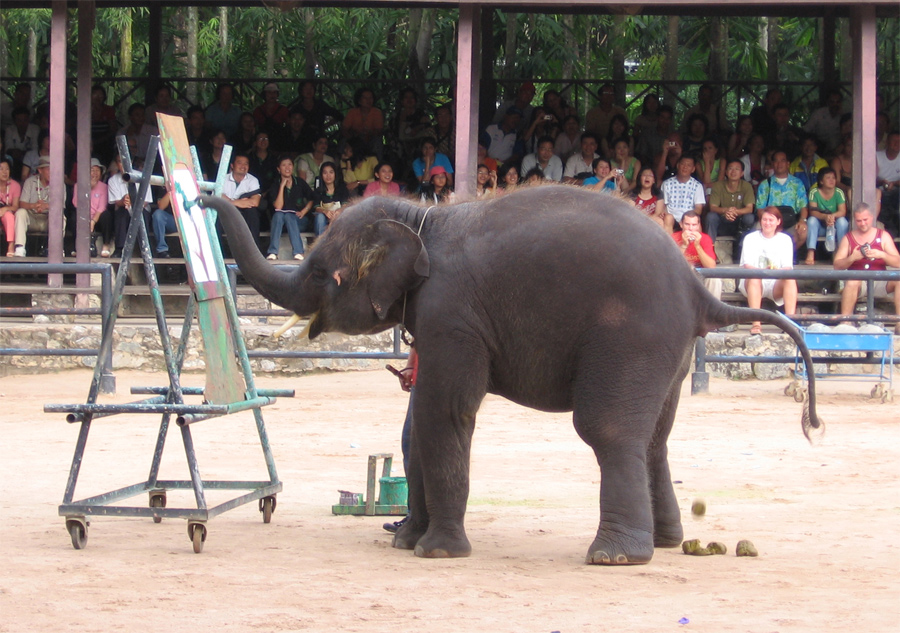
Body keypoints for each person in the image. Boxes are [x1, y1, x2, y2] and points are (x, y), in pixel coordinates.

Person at [833, 203, 900, 330]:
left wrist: (882, 255)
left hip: (881, 280)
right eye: (859, 221)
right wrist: (853, 257)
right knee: (852, 281)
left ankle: (899, 322)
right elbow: (837, 265)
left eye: (865, 220)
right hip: (858, 282)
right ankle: (845, 322)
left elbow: (898, 262)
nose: (862, 224)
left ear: (872, 217)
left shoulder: (883, 236)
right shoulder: (848, 238)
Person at [739, 207, 798, 335]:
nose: (767, 223)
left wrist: (774, 271)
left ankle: (790, 323)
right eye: (764, 219)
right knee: (755, 276)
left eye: (771, 220)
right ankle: (756, 324)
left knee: (790, 279)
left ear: (778, 221)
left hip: (775, 282)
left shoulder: (785, 239)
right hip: (752, 281)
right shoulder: (750, 238)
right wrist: (763, 271)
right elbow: (747, 265)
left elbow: (788, 267)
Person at [382, 346, 417, 535]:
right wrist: (411, 366)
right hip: (423, 377)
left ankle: (423, 517)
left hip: (440, 377)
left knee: (417, 446)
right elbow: (419, 331)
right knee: (411, 444)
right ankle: (417, 514)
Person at [755, 150, 809, 249]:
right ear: (772, 164)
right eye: (776, 161)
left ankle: (789, 254)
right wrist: (769, 223)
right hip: (770, 221)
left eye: (782, 160)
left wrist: (802, 221)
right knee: (757, 229)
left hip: (791, 221)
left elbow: (803, 206)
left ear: (788, 164)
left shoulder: (797, 183)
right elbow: (760, 209)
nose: (779, 164)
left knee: (803, 231)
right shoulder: (765, 184)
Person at [266, 156, 314, 261]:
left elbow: (312, 199)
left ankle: (298, 252)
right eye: (284, 165)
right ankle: (273, 252)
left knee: (289, 216)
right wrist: (282, 186)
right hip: (281, 224)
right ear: (278, 169)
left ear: (293, 167)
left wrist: (303, 211)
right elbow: (278, 207)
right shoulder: (275, 184)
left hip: (299, 221)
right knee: (279, 215)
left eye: (289, 164)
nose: (287, 167)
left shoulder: (300, 182)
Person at [12, 156, 63, 257]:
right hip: (33, 218)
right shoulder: (30, 182)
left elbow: (61, 206)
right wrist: (34, 205)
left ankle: (56, 248)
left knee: (60, 216)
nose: (52, 172)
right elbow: (22, 203)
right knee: (20, 212)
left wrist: (46, 206)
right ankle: (20, 247)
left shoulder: (60, 183)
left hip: (48, 219)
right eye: (49, 169)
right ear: (40, 170)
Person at [706, 159, 756, 255]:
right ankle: (709, 250)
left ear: (742, 173)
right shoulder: (718, 185)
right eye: (730, 169)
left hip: (739, 224)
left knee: (749, 217)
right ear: (725, 172)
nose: (733, 172)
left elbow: (750, 208)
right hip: (722, 222)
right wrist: (726, 210)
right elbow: (713, 207)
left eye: (737, 169)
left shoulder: (746, 186)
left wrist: (734, 212)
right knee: (710, 216)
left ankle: (742, 250)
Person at [672, 211, 721, 300]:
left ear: (698, 226)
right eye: (687, 224)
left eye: (694, 225)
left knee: (715, 279)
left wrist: (697, 245)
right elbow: (671, 265)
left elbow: (711, 266)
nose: (690, 228)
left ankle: (713, 312)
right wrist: (684, 245)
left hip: (701, 275)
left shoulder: (705, 238)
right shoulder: (673, 237)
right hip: (680, 276)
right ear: (681, 224)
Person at [804, 167, 848, 265]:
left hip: (834, 226)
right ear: (821, 181)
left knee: (843, 222)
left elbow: (842, 211)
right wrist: (825, 217)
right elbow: (812, 212)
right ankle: (811, 252)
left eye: (833, 177)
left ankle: (842, 254)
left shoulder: (839, 192)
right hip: (821, 227)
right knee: (811, 220)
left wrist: (832, 216)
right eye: (828, 178)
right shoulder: (814, 192)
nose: (832, 180)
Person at [220, 153, 263, 252]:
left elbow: (255, 202)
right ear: (232, 165)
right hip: (225, 212)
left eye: (246, 164)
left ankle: (254, 251)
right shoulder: (222, 178)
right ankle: (218, 253)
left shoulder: (253, 180)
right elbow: (218, 197)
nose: (243, 166)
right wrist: (237, 202)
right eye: (239, 163)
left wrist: (229, 201)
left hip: (244, 213)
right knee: (215, 216)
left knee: (252, 213)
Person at [70, 158, 109, 257]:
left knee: (107, 215)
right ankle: (77, 247)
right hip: (83, 217)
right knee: (74, 217)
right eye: (92, 170)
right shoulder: (78, 185)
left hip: (97, 218)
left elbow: (102, 206)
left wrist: (93, 221)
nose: (95, 173)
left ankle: (106, 245)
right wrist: (87, 188)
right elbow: (76, 203)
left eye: (97, 171)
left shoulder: (104, 186)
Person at [661, 155, 705, 230]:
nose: (685, 167)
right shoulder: (666, 183)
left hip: (688, 218)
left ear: (693, 169)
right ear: (678, 165)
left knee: (695, 223)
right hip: (671, 218)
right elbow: (663, 205)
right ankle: (669, 242)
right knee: (668, 218)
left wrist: (686, 217)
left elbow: (698, 209)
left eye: (689, 165)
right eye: (683, 164)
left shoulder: (697, 186)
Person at [389, 87, 430, 166]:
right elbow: (393, 131)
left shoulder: (420, 113)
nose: (409, 100)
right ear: (402, 100)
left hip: (418, 142)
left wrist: (417, 128)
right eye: (406, 97)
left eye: (411, 97)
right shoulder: (396, 115)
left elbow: (428, 127)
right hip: (400, 143)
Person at [342, 87, 384, 159]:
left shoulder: (377, 112)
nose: (368, 100)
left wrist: (369, 134)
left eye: (370, 98)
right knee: (343, 141)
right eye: (365, 98)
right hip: (355, 139)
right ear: (359, 100)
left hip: (371, 140)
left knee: (377, 141)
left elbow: (379, 131)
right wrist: (352, 137)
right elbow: (344, 129)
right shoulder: (352, 112)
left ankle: (377, 164)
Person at [803, 89, 844, 158]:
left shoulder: (844, 115)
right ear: (827, 102)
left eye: (838, 102)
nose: (835, 104)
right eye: (832, 102)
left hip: (837, 150)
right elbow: (806, 130)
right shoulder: (819, 114)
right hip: (819, 148)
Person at [312, 161, 350, 234]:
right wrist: (325, 211)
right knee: (320, 217)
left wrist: (339, 211)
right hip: (324, 219)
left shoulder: (342, 188)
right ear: (321, 175)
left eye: (331, 172)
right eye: (325, 173)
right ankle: (321, 243)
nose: (328, 176)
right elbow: (316, 207)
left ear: (335, 174)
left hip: (338, 217)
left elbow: (345, 205)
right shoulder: (318, 190)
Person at [875, 131, 900, 234]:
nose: (897, 144)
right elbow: (870, 178)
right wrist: (882, 182)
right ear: (887, 142)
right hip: (880, 189)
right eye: (894, 141)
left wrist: (894, 183)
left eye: (899, 141)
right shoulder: (877, 156)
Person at [632, 167, 669, 231]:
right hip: (636, 221)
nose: (647, 177)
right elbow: (631, 212)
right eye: (644, 175)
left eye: (650, 175)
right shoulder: (633, 194)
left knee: (660, 221)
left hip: (652, 221)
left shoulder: (658, 193)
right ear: (639, 179)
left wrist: (645, 220)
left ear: (654, 180)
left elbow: (657, 213)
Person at [90, 85, 119, 165]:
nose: (98, 98)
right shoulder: (85, 109)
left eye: (100, 95)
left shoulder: (108, 110)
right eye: (95, 95)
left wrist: (100, 140)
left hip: (105, 141)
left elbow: (113, 129)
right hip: (88, 139)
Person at [0, 158, 23, 256]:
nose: (5, 172)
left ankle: (11, 245)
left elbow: (16, 206)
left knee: (9, 216)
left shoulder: (15, 185)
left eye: (7, 169)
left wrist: (5, 208)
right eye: (1, 169)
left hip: (6, 212)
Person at [248, 131, 278, 195]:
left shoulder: (273, 158)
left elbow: (276, 179)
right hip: (251, 192)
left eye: (266, 139)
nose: (263, 141)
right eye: (260, 139)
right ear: (255, 142)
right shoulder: (250, 157)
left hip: (270, 193)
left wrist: (267, 192)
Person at [831, 133, 854, 204]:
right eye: (848, 145)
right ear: (843, 146)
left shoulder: (861, 160)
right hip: (843, 191)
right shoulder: (837, 161)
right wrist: (847, 188)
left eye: (853, 145)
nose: (851, 148)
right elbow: (836, 182)